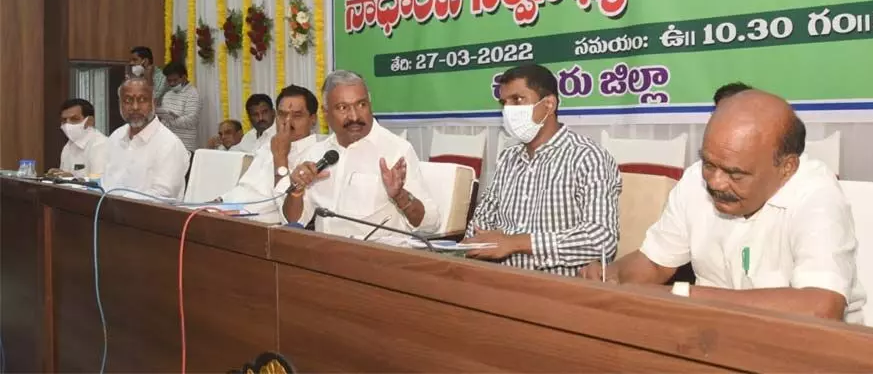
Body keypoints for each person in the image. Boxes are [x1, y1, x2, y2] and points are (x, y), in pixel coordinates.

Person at [581, 90, 866, 323]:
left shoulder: (817, 194)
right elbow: (655, 262)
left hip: (805, 349)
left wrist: (685, 296)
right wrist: (613, 275)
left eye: (735, 174)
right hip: (711, 334)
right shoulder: (695, 180)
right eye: (708, 163)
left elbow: (821, 308)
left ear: (786, 167)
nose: (715, 182)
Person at [461, 63, 621, 277]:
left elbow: (601, 238)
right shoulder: (508, 158)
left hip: (559, 290)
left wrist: (515, 243)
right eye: (504, 103)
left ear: (549, 104)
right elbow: (480, 224)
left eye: (517, 99)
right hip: (499, 282)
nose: (508, 110)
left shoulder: (587, 157)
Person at [281, 71, 440, 244]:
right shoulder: (315, 155)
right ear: (325, 113)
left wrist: (400, 196)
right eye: (342, 108)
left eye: (361, 105)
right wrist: (296, 191)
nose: (355, 116)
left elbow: (431, 224)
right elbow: (293, 222)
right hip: (325, 255)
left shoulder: (396, 150)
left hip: (377, 259)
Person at [220, 86, 320, 224]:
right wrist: (219, 202)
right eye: (282, 114)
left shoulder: (317, 155)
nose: (287, 121)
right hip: (229, 212)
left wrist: (280, 158)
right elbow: (246, 187)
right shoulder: (270, 144)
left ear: (313, 119)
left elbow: (289, 217)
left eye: (297, 115)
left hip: (257, 225)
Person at [104, 78, 189, 200]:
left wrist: (120, 201)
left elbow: (163, 196)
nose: (135, 107)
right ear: (120, 104)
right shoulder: (116, 136)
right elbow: (106, 181)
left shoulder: (169, 144)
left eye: (142, 100)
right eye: (128, 100)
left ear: (154, 103)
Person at [48, 98, 108, 180]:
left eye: (74, 119)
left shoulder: (101, 144)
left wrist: (72, 178)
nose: (67, 124)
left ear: (89, 121)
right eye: (64, 120)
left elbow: (100, 181)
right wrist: (59, 174)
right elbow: (65, 178)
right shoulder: (68, 146)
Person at [156, 62, 201, 156]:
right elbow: (164, 120)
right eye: (169, 81)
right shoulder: (167, 95)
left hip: (185, 146)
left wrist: (170, 119)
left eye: (175, 80)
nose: (172, 83)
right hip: (167, 144)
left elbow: (191, 120)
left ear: (184, 77)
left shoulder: (193, 94)